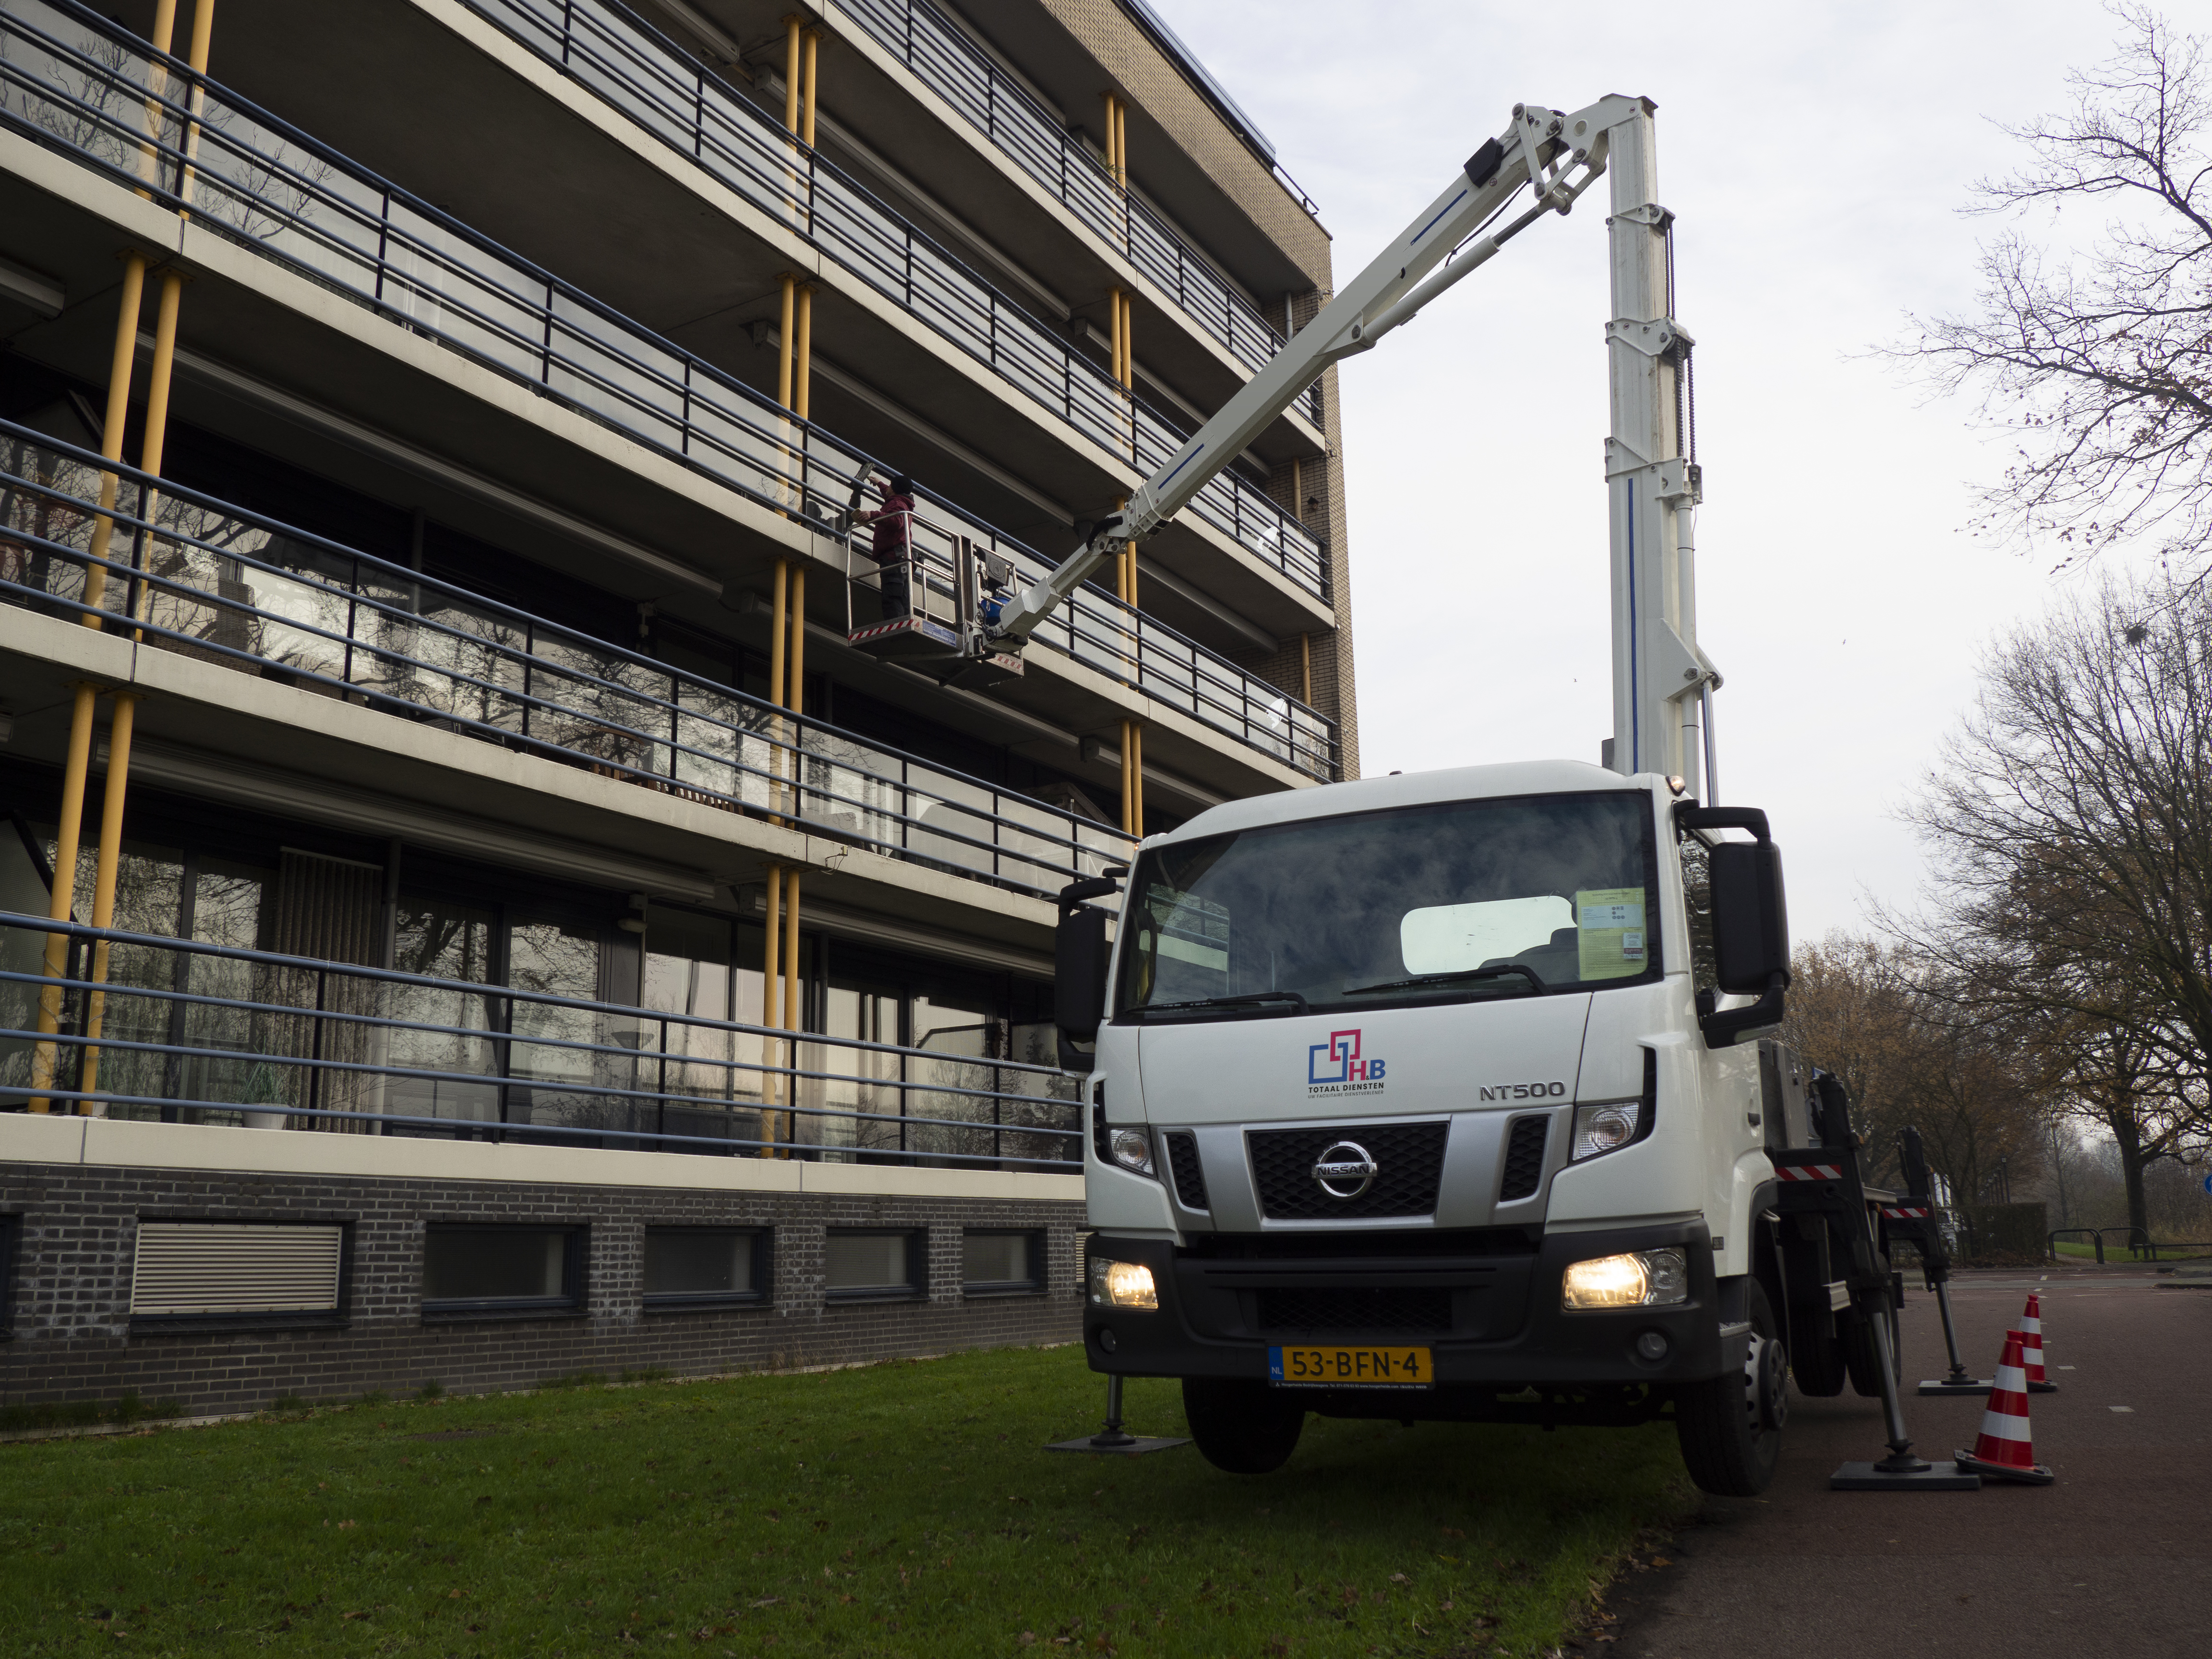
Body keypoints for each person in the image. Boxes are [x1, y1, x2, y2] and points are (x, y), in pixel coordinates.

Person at [855, 474, 917, 621]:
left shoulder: (898, 504)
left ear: (895, 490)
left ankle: (896, 628)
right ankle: (905, 624)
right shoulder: (901, 502)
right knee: (903, 595)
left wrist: (872, 515)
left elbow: (896, 521)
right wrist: (879, 484)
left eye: (890, 486)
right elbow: (890, 498)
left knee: (893, 594)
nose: (888, 488)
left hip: (893, 558)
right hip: (901, 557)